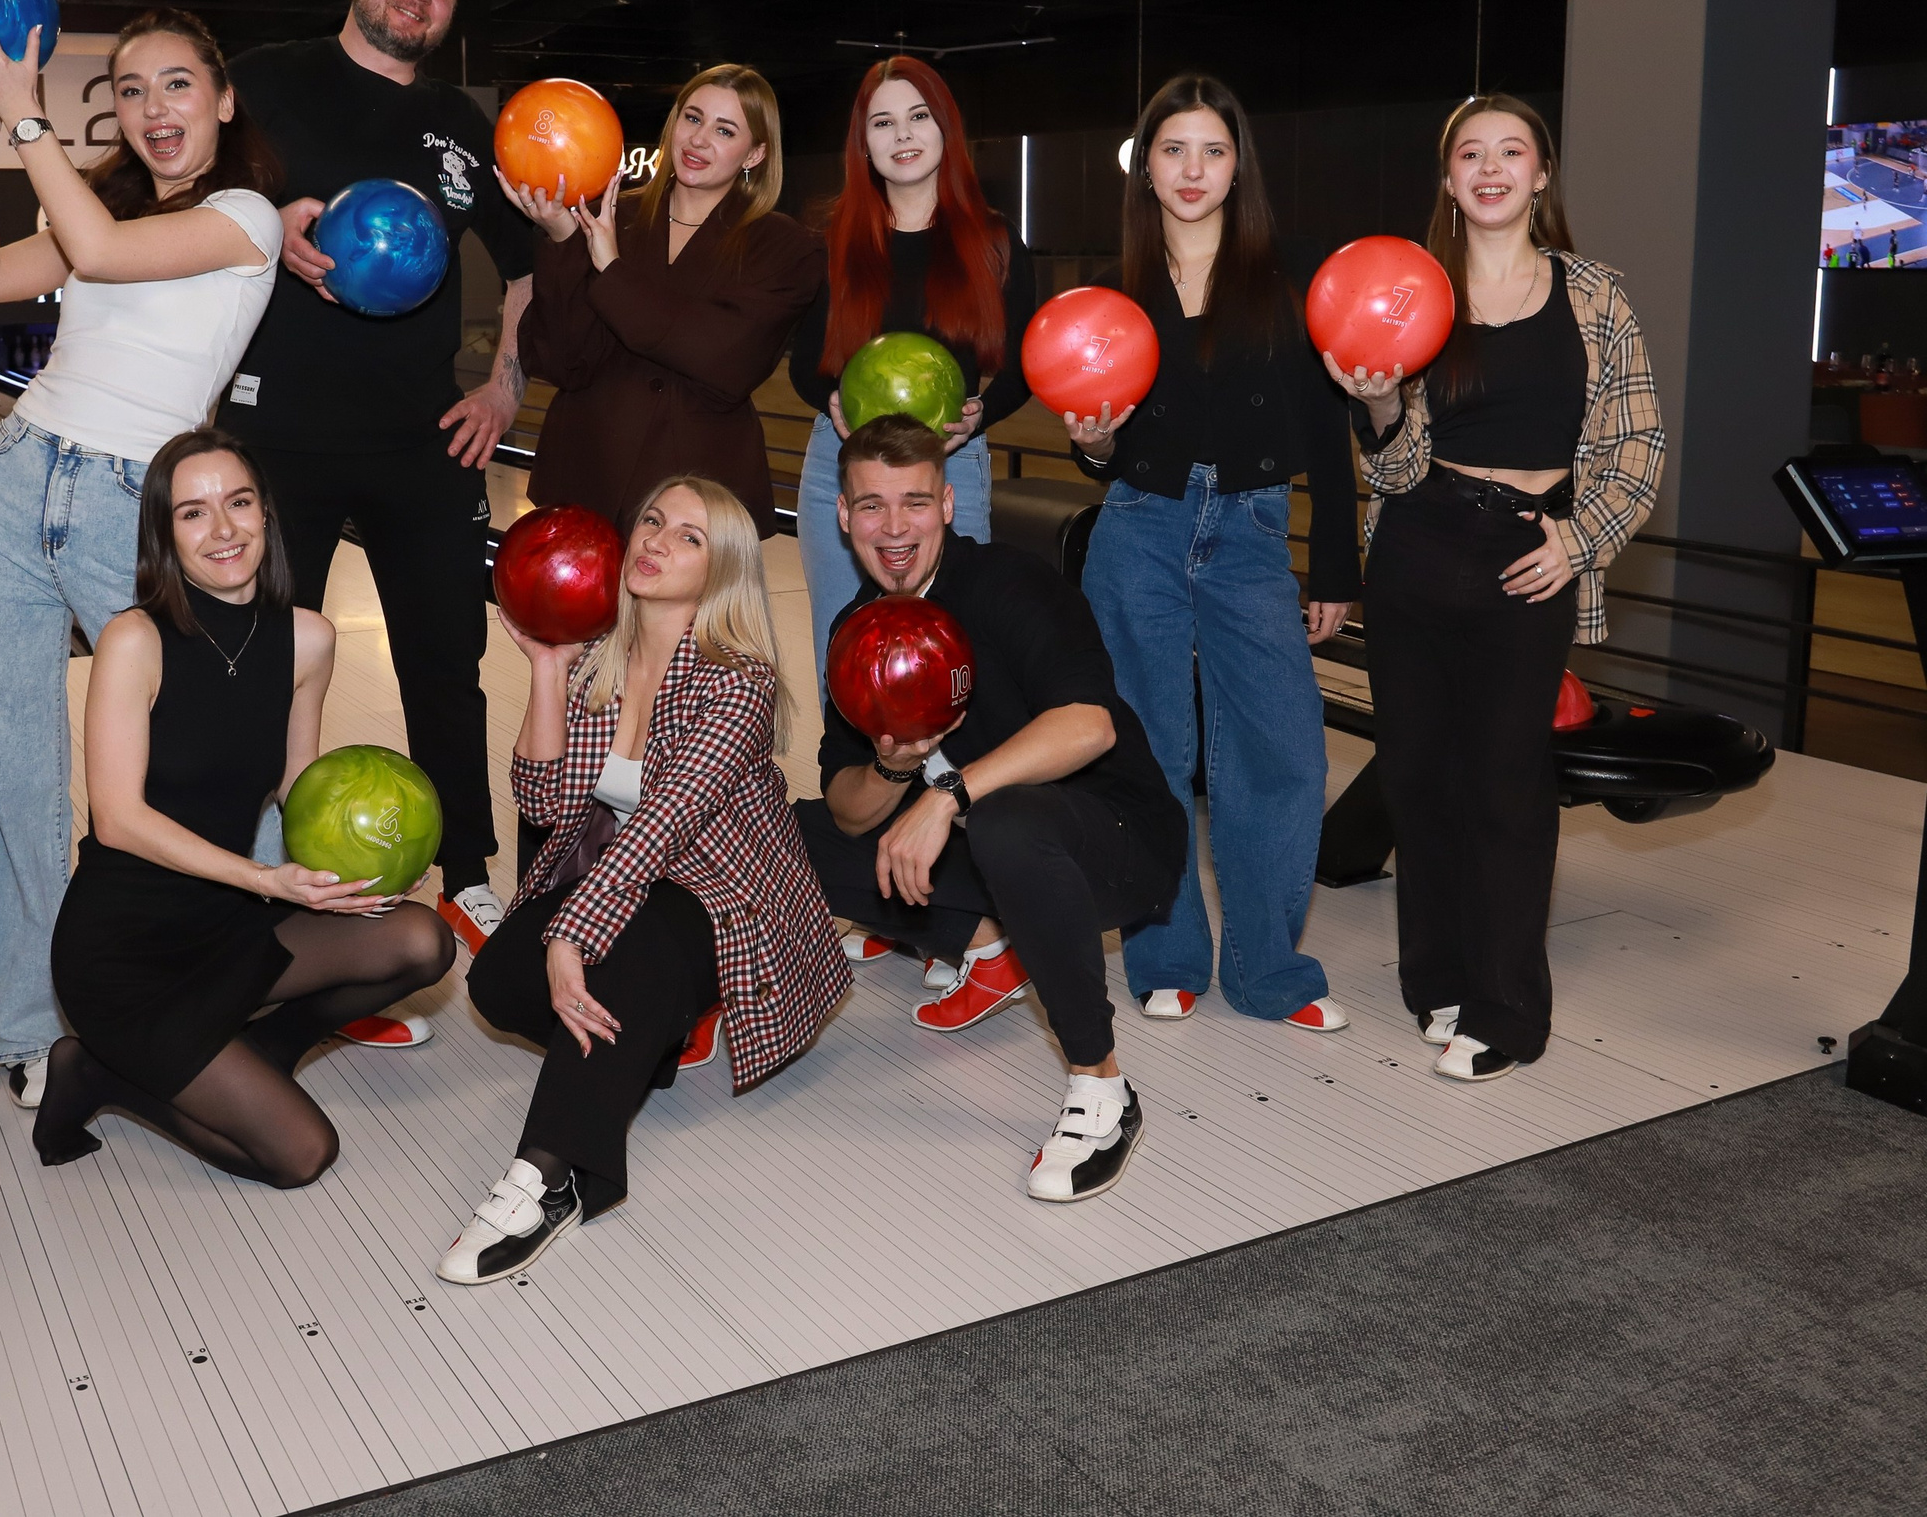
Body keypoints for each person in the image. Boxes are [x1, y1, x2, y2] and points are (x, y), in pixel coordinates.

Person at [0, 8, 396, 1113]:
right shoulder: (112, 202)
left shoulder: (239, 216)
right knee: (18, 775)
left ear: (224, 100)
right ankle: (34, 1025)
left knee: (223, 739)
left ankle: (284, 964)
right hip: (11, 482)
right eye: (131, 92)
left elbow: (92, 252)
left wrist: (22, 111)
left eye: (177, 84)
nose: (154, 111)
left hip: (131, 504)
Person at [1328, 94, 1663, 1084]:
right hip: (1419, 546)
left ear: (1541, 172)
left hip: (1532, 556)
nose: (1488, 167)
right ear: (1446, 178)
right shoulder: (1411, 295)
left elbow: (1637, 448)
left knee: (1508, 788)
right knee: (1417, 778)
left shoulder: (1594, 295)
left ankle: (1507, 1009)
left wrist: (1577, 539)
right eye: (1467, 153)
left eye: (1509, 151)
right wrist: (1381, 403)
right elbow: (1392, 474)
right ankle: (1434, 977)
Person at [438, 477, 848, 1283]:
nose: (657, 540)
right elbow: (546, 802)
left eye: (689, 537)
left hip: (717, 891)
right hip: (614, 882)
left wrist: (569, 934)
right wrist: (549, 669)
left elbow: (661, 826)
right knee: (496, 984)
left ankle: (546, 1180)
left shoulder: (738, 680)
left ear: (722, 570)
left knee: (625, 958)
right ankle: (651, 1030)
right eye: (653, 520)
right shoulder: (599, 653)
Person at [221, 0, 536, 951]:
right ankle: (257, 869)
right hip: (282, 432)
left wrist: (503, 386)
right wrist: (271, 228)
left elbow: (530, 263)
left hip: (422, 435)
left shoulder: (459, 121)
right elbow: (179, 195)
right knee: (263, 666)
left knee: (446, 661)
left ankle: (470, 871)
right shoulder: (267, 77)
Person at [33, 430, 456, 1177]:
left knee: (422, 941)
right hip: (126, 950)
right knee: (301, 1155)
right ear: (165, 535)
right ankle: (98, 1072)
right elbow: (118, 820)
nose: (223, 529)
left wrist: (376, 862)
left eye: (238, 502)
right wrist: (267, 880)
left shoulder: (309, 639)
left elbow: (296, 784)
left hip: (226, 924)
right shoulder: (136, 640)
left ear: (266, 512)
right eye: (193, 514)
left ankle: (261, 1054)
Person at [795, 416, 1186, 1202]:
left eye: (913, 503)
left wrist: (946, 792)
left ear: (946, 504)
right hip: (988, 852)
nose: (893, 527)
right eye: (871, 506)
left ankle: (1102, 1088)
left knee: (1006, 821)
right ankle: (982, 938)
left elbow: (1091, 723)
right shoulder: (857, 632)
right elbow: (846, 811)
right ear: (842, 517)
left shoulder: (1009, 583)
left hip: (1110, 839)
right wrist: (888, 765)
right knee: (780, 829)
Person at [1062, 75, 1362, 1034]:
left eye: (1214, 151)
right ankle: (1166, 954)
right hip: (1139, 524)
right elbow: (1093, 441)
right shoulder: (1115, 292)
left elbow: (1328, 428)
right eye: (1173, 150)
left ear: (1240, 168)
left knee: (1283, 749)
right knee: (1150, 749)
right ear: (1145, 168)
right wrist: (1096, 446)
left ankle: (1270, 972)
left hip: (1250, 531)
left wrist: (1338, 566)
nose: (1193, 170)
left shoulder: (1287, 278)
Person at [788, 55, 1037, 673]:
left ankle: (950, 776)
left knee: (949, 650)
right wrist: (835, 407)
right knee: (846, 657)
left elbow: (1022, 368)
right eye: (882, 122)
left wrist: (979, 416)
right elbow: (804, 365)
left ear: (945, 128)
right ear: (862, 143)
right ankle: (846, 775)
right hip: (841, 468)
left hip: (950, 463)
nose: (902, 135)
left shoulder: (995, 241)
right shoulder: (833, 240)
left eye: (918, 116)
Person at [504, 64, 824, 537]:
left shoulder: (784, 247)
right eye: (692, 119)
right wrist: (560, 240)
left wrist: (611, 272)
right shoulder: (608, 216)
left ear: (754, 153)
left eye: (724, 130)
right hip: (586, 481)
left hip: (699, 501)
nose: (698, 140)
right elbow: (563, 361)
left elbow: (725, 361)